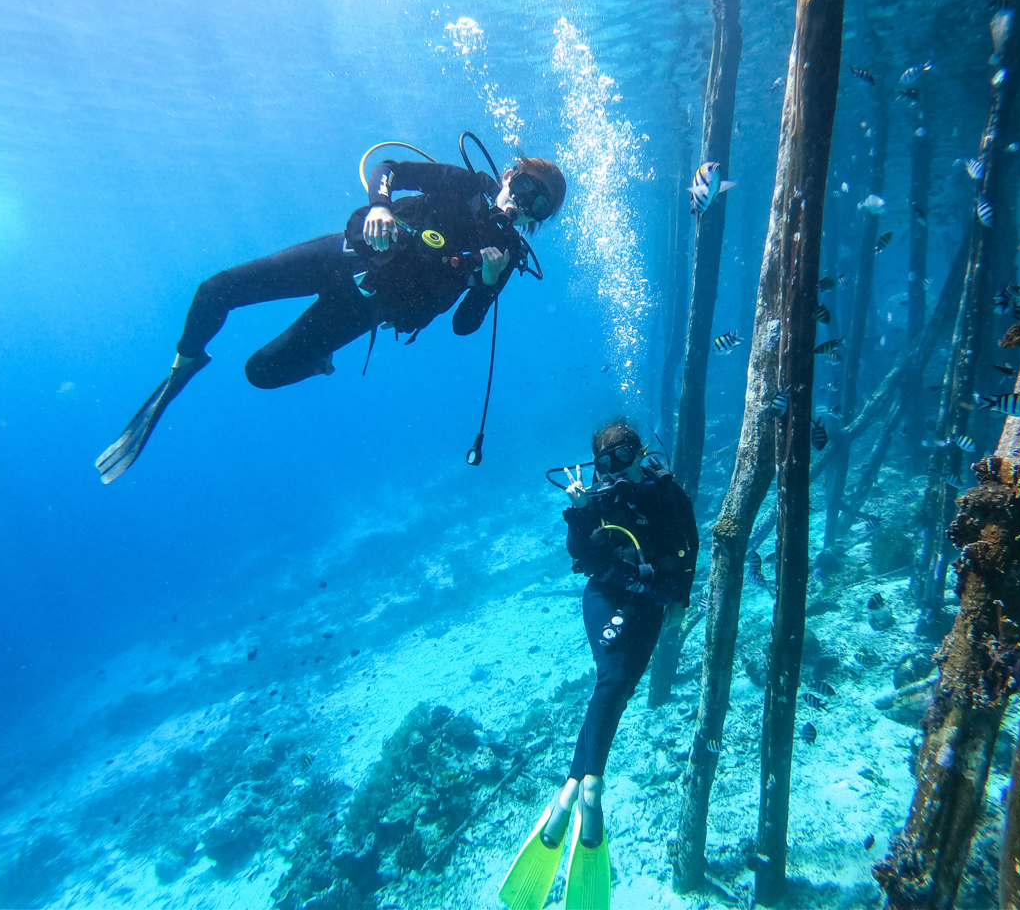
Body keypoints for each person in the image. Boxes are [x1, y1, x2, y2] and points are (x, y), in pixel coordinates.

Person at [94, 153, 566, 483]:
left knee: (260, 373)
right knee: (216, 291)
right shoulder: (464, 184)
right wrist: (380, 205)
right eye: (525, 186)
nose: (525, 202)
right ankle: (186, 361)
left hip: (361, 308)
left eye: (538, 204)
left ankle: (317, 361)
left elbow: (464, 326)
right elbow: (389, 169)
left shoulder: (505, 255)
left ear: (538, 219)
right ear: (509, 174)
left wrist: (486, 280)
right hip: (341, 259)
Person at [499, 419, 698, 910]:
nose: (617, 466)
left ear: (640, 451)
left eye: (625, 454)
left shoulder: (663, 490)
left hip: (649, 602)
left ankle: (572, 790)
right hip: (607, 593)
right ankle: (592, 786)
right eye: (607, 460)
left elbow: (688, 542)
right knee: (612, 679)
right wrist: (581, 510)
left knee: (614, 684)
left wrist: (681, 599)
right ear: (597, 463)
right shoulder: (597, 499)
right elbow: (583, 555)